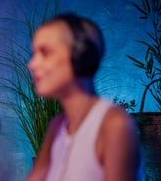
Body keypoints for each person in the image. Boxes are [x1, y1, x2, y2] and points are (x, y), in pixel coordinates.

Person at [26, 13, 141, 181]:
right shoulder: (57, 126)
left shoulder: (114, 125)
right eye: (34, 53)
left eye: (45, 52)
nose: (32, 64)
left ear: (81, 56)